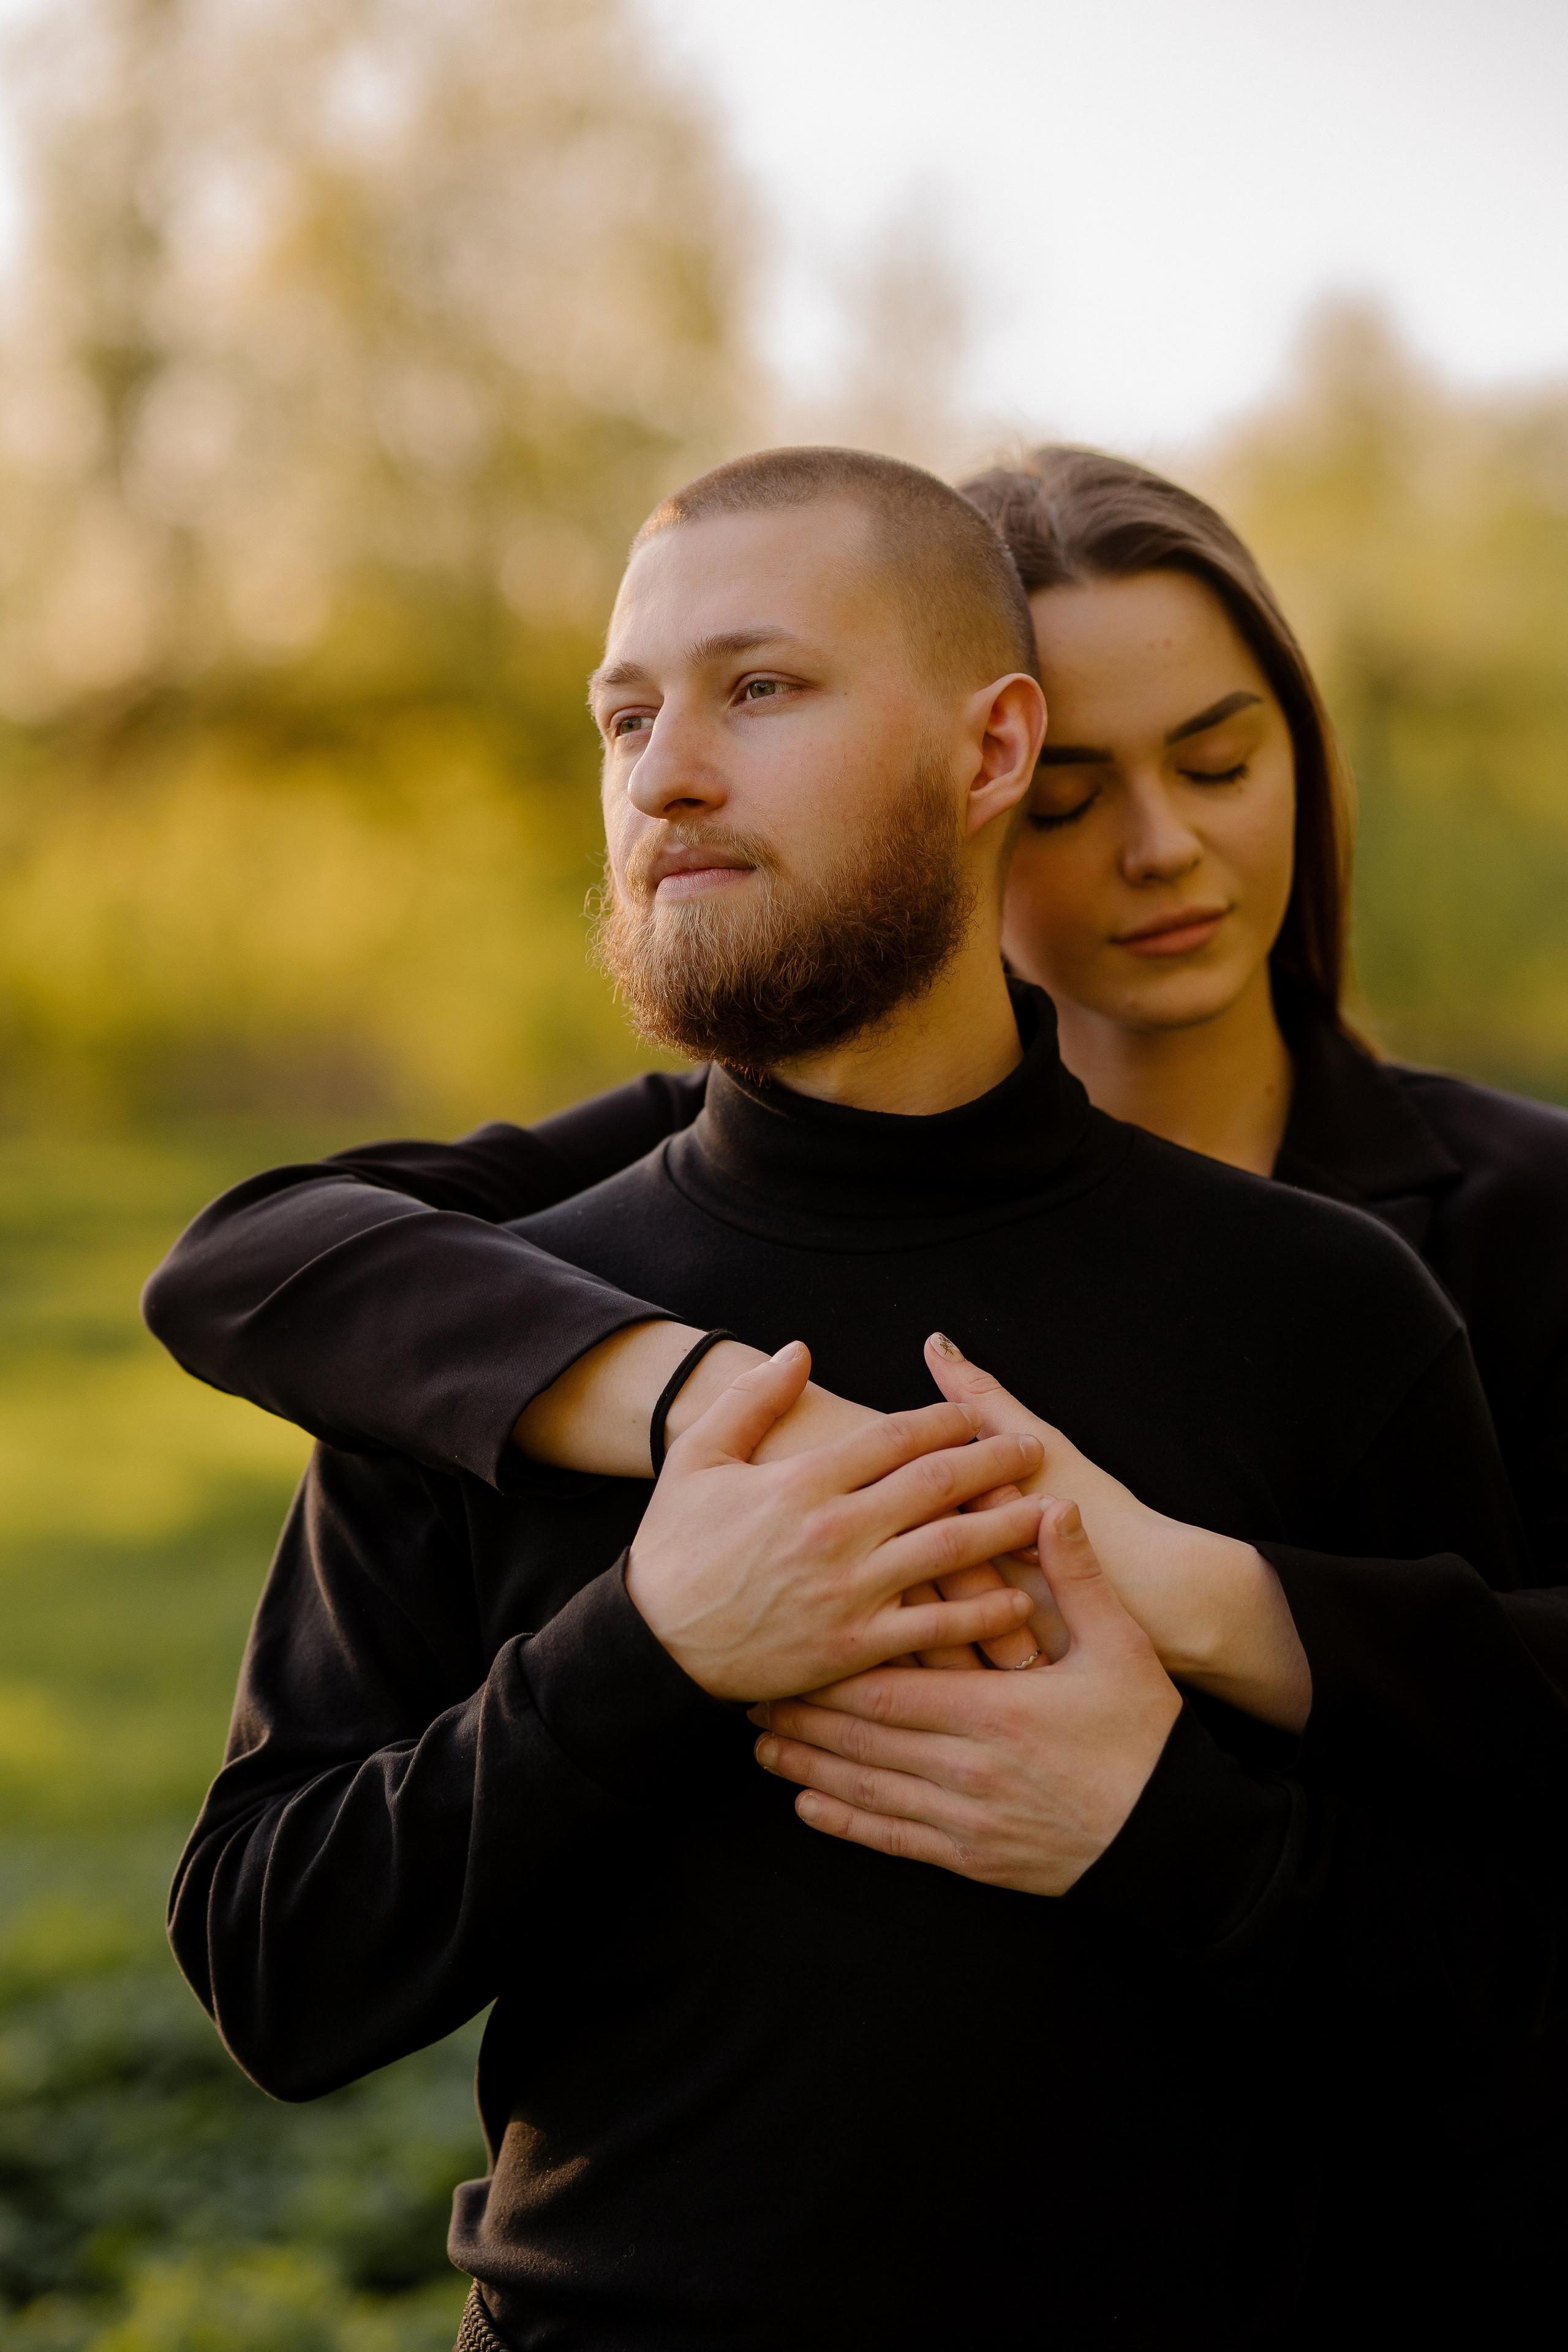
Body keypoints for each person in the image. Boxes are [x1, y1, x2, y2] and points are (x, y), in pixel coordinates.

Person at [164, 449, 1534, 2350]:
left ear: (989, 757)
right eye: (627, 715)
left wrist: (1159, 1825)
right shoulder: (515, 1335)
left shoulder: (1327, 1311)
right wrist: (645, 1646)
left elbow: (1503, 1982)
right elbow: (272, 1967)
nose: (667, 772)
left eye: (763, 689)